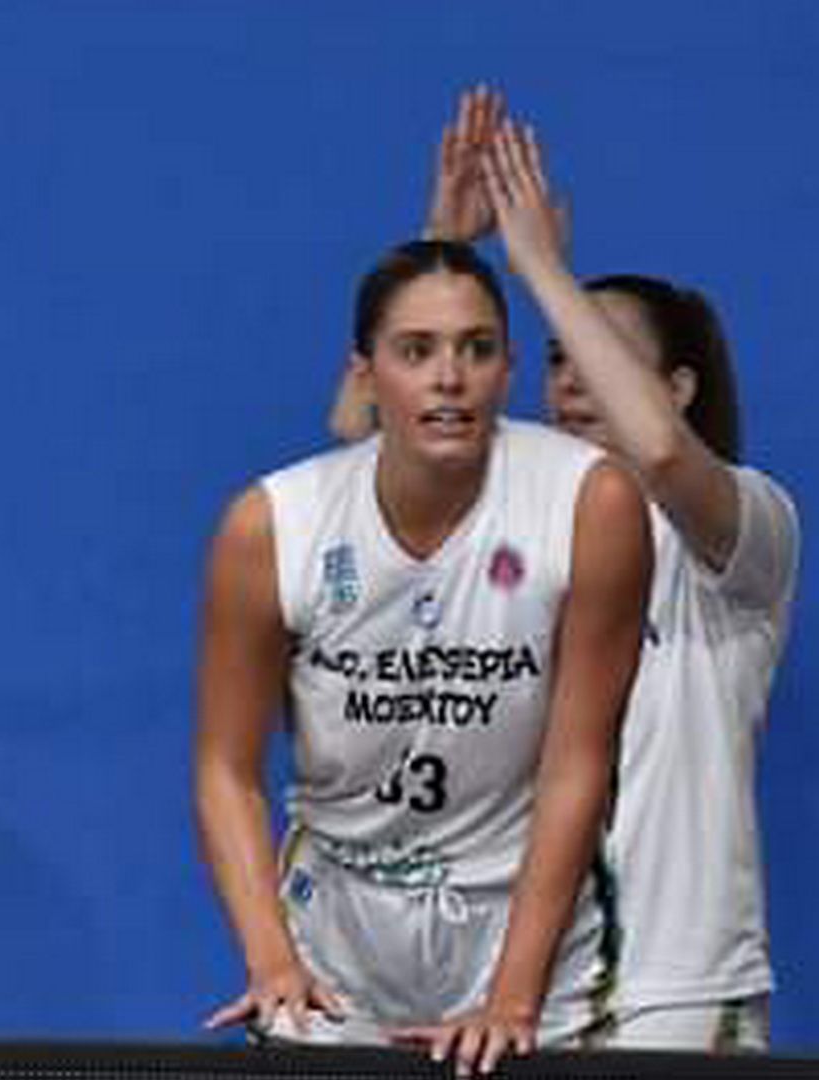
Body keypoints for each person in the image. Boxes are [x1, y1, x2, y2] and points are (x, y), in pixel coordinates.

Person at [333, 89, 799, 1052]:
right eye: (556, 356)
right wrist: (442, 254)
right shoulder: (522, 528)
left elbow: (661, 455)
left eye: (601, 350)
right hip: (518, 992)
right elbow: (362, 436)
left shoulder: (741, 531)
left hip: (670, 992)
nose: (573, 378)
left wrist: (542, 268)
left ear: (676, 388)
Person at [194, 237, 652, 1078]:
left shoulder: (590, 502)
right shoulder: (273, 525)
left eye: (477, 349)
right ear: (365, 375)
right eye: (417, 351)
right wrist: (270, 959)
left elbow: (578, 763)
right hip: (335, 932)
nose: (450, 377)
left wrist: (513, 996)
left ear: (508, 370)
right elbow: (226, 769)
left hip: (524, 934)